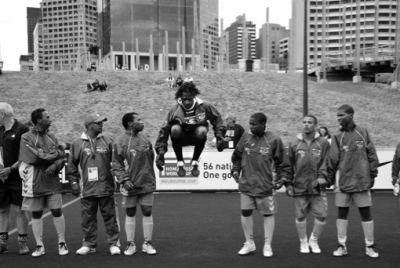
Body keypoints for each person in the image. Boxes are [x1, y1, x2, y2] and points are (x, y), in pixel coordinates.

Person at [231, 112, 291, 258]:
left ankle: (267, 245)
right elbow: (236, 157)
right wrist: (235, 170)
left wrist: (282, 179)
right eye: (250, 123)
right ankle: (249, 243)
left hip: (266, 186)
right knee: (245, 212)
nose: (250, 126)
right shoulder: (245, 137)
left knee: (268, 214)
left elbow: (284, 164)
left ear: (263, 125)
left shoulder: (274, 140)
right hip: (246, 184)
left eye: (254, 124)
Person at [327, 104, 379, 258]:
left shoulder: (363, 132)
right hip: (343, 183)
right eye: (337, 116)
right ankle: (341, 245)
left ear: (351, 115)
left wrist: (373, 174)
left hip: (362, 182)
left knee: (365, 213)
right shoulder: (337, 136)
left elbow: (372, 154)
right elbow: (333, 159)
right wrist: (330, 178)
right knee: (342, 213)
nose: (338, 118)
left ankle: (370, 246)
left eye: (341, 115)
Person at [66, 113, 120, 256]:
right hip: (87, 188)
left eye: (102, 122)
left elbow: (116, 163)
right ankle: (89, 244)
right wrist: (73, 182)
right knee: (87, 218)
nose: (102, 125)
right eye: (98, 123)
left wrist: (118, 178)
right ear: (90, 125)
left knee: (110, 217)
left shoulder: (108, 141)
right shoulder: (77, 143)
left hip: (106, 187)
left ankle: (114, 243)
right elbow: (71, 166)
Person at [18, 108, 68, 257]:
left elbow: (61, 158)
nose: (50, 119)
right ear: (39, 120)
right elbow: (34, 158)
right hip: (34, 182)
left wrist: (55, 164)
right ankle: (39, 246)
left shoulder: (52, 136)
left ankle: (62, 242)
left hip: (52, 181)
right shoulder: (26, 137)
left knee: (57, 210)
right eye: (47, 117)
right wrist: (56, 154)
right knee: (37, 213)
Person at [155, 82, 224, 177]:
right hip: (181, 138)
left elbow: (217, 119)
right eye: (184, 99)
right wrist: (161, 152)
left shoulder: (204, 107)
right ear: (180, 97)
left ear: (194, 97)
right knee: (174, 128)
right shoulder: (175, 110)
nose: (187, 102)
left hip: (196, 137)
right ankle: (180, 163)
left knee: (202, 130)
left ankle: (195, 161)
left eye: (189, 99)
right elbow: (164, 130)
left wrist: (219, 136)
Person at [113, 113, 157, 256]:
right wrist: (124, 180)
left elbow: (151, 156)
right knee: (130, 212)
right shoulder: (120, 140)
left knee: (147, 211)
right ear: (130, 124)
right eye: (139, 120)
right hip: (130, 184)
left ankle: (147, 243)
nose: (142, 122)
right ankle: (130, 244)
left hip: (146, 182)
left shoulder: (145, 138)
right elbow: (116, 164)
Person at [286, 115, 330, 254]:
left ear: (315, 125)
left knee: (322, 215)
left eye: (310, 122)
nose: (306, 125)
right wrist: (288, 183)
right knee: (300, 216)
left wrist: (322, 177)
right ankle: (303, 241)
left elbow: (326, 162)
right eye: (304, 122)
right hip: (299, 185)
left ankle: (314, 240)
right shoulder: (294, 143)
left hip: (317, 186)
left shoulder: (323, 143)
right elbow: (289, 165)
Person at [0, 103, 30, 255]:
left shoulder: (22, 129)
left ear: (2, 113)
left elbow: (25, 154)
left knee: (19, 209)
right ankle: (2, 242)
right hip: (1, 177)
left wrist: (10, 169)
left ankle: (22, 242)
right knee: (3, 209)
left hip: (17, 176)